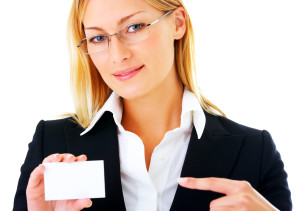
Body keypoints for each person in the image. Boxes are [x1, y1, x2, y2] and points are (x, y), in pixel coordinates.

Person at [13, 0, 292, 210]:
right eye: (99, 37)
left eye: (134, 27)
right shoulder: (51, 146)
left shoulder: (255, 152)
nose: (118, 54)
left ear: (178, 23)